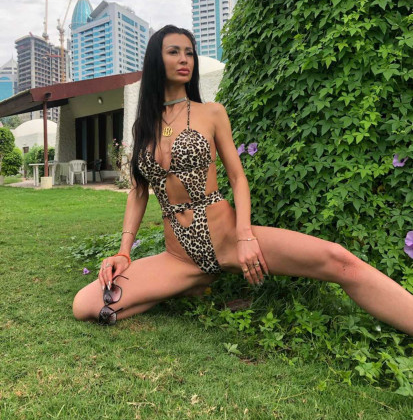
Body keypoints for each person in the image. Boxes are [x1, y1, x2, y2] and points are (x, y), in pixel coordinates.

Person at [73, 25, 413, 335]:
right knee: (85, 305)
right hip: (180, 258)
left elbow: (238, 178)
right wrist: (124, 252)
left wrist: (246, 235)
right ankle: (190, 283)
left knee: (338, 260)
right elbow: (138, 192)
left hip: (229, 240)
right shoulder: (144, 126)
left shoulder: (211, 113)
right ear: (155, 60)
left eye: (189, 52)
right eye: (174, 51)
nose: (184, 59)